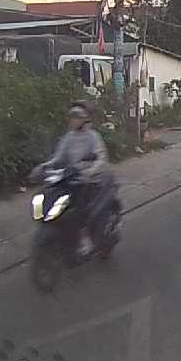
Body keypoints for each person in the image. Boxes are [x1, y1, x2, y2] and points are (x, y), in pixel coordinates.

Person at [33, 101, 109, 257]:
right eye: (72, 117)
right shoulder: (69, 137)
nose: (73, 120)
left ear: (84, 119)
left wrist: (90, 171)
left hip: (90, 179)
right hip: (71, 176)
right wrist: (44, 166)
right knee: (52, 196)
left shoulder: (93, 136)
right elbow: (58, 157)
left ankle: (85, 239)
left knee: (80, 208)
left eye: (77, 117)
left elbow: (101, 158)